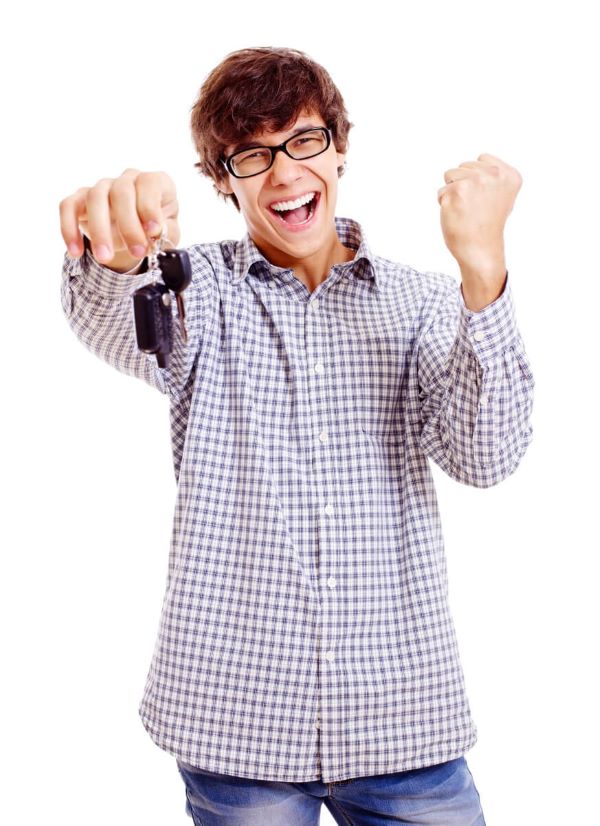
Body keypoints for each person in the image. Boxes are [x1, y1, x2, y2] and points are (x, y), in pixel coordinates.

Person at [59, 46, 534, 826]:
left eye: (303, 141)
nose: (283, 174)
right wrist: (113, 257)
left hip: (401, 720)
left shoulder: (419, 302)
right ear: (224, 178)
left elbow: (487, 457)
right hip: (238, 724)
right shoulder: (198, 288)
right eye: (253, 154)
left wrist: (483, 273)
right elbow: (117, 324)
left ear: (339, 146)